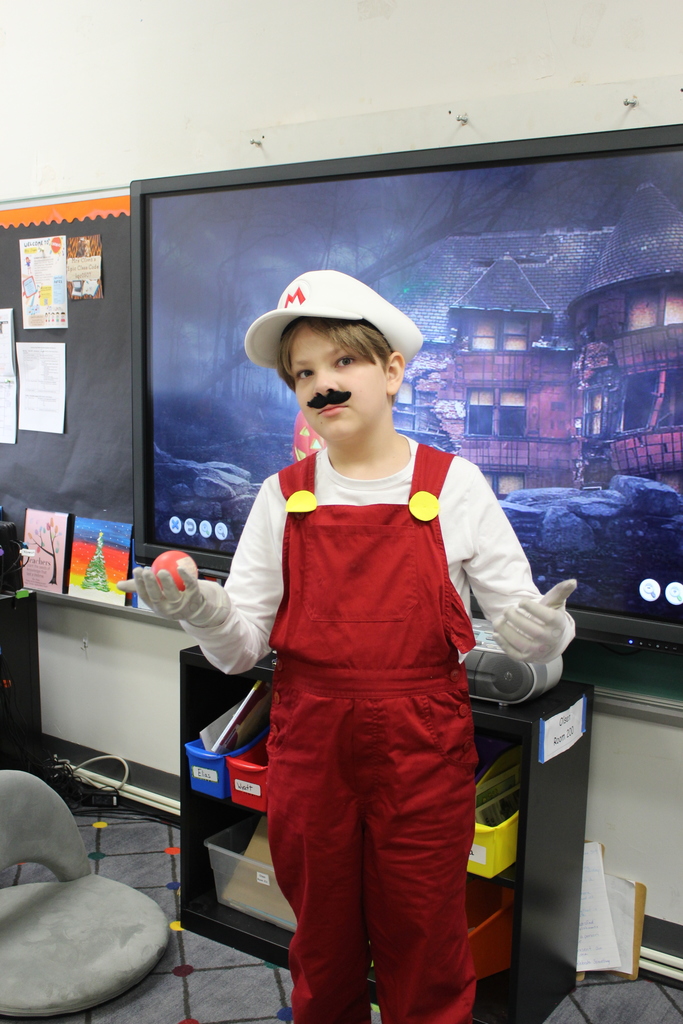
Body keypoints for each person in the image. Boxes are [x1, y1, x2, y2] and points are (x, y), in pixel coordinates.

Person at [121, 270, 576, 1024]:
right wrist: (200, 607)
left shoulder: (454, 486)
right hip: (309, 750)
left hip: (422, 748)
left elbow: (527, 617)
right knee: (322, 946)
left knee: (426, 946)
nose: (321, 386)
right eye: (303, 373)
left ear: (392, 370)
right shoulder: (281, 495)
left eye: (342, 363)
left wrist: (544, 633)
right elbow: (239, 654)